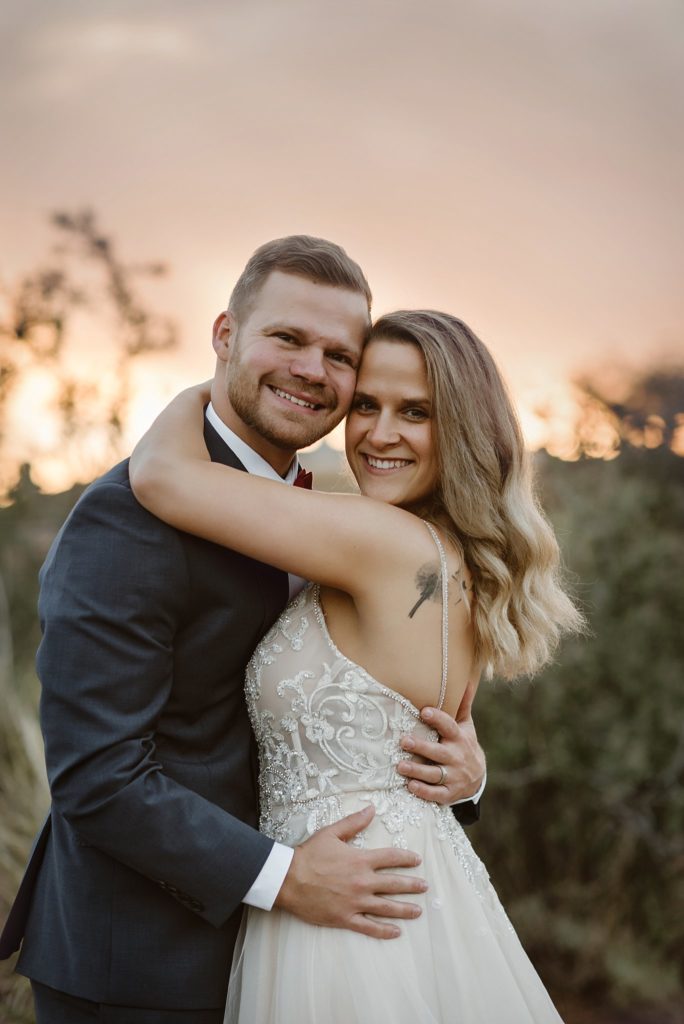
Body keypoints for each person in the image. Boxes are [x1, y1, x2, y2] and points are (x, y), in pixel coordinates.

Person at [0, 237, 487, 1024]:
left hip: (294, 947)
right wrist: (284, 878)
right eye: (287, 338)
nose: (312, 370)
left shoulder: (327, 524)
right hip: (140, 965)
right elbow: (98, 774)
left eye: (339, 355)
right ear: (225, 335)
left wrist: (461, 776)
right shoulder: (125, 521)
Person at [129, 308, 584, 1023]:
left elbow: (161, 476)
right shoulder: (453, 557)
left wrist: (212, 384)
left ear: (464, 429)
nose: (378, 434)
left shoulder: (382, 540)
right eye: (366, 405)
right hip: (397, 882)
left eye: (416, 412)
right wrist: (472, 780)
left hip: (347, 907)